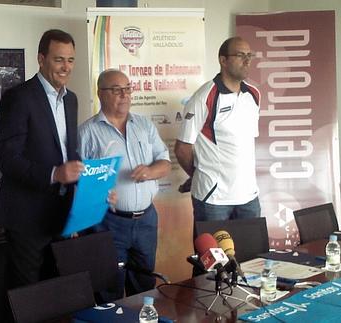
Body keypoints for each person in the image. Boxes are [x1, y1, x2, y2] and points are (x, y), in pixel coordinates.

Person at [0, 29, 84, 287]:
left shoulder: (71, 100)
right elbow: (8, 160)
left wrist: (93, 188)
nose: (65, 67)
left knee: (59, 291)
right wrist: (55, 174)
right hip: (27, 219)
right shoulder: (18, 97)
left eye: (70, 60)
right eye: (59, 59)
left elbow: (70, 155)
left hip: (61, 215)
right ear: (41, 59)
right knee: (28, 297)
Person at [78, 69, 171, 300]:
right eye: (116, 90)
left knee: (145, 286)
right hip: (109, 223)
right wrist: (96, 193)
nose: (124, 95)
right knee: (109, 289)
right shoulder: (87, 132)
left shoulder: (144, 125)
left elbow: (165, 162)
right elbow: (76, 179)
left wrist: (150, 171)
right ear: (100, 93)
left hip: (146, 221)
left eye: (127, 88)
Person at [175, 36, 261, 222]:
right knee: (212, 252)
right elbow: (182, 148)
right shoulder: (204, 97)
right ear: (223, 60)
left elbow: (244, 144)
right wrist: (198, 175)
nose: (247, 61)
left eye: (249, 55)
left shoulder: (253, 94)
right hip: (213, 198)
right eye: (240, 55)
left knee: (251, 251)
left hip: (249, 196)